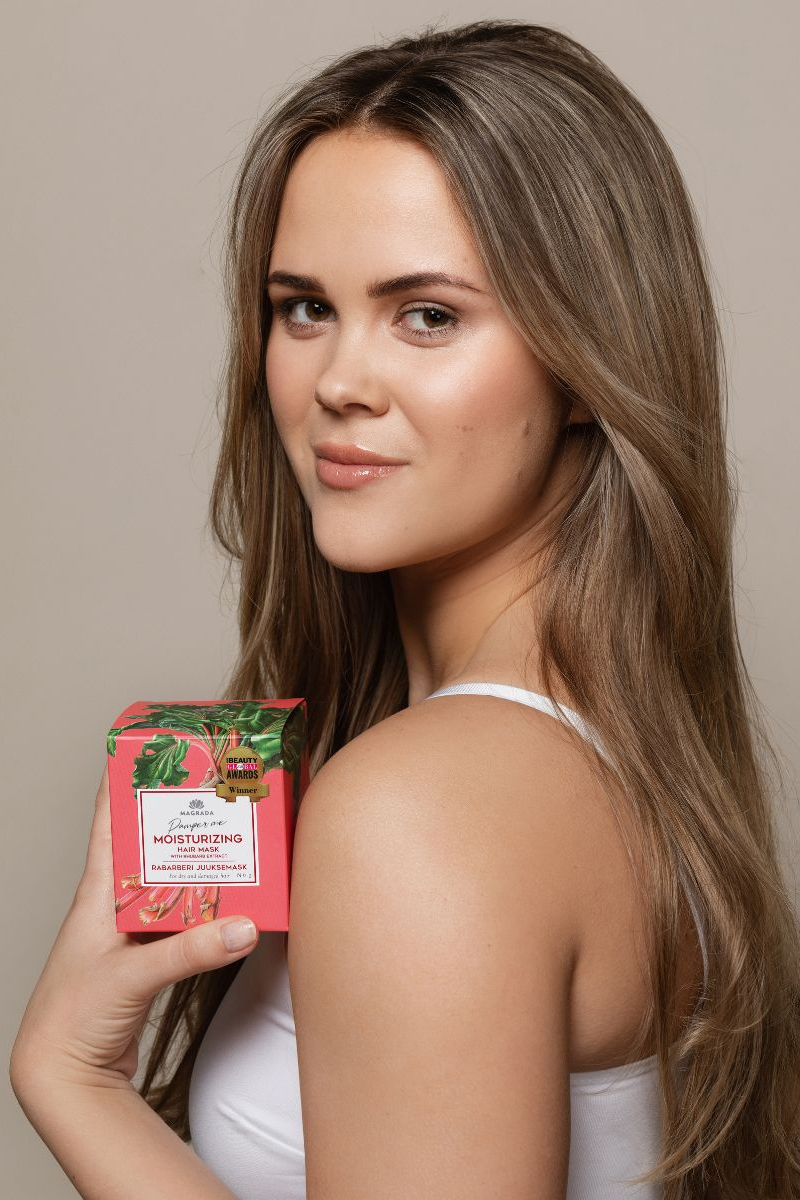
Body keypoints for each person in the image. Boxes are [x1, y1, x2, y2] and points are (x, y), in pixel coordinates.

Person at [10, 17, 800, 1200]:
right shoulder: (608, 759)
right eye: (302, 307)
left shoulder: (420, 810)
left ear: (583, 365)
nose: (337, 381)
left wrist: (71, 1079)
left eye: (426, 314)